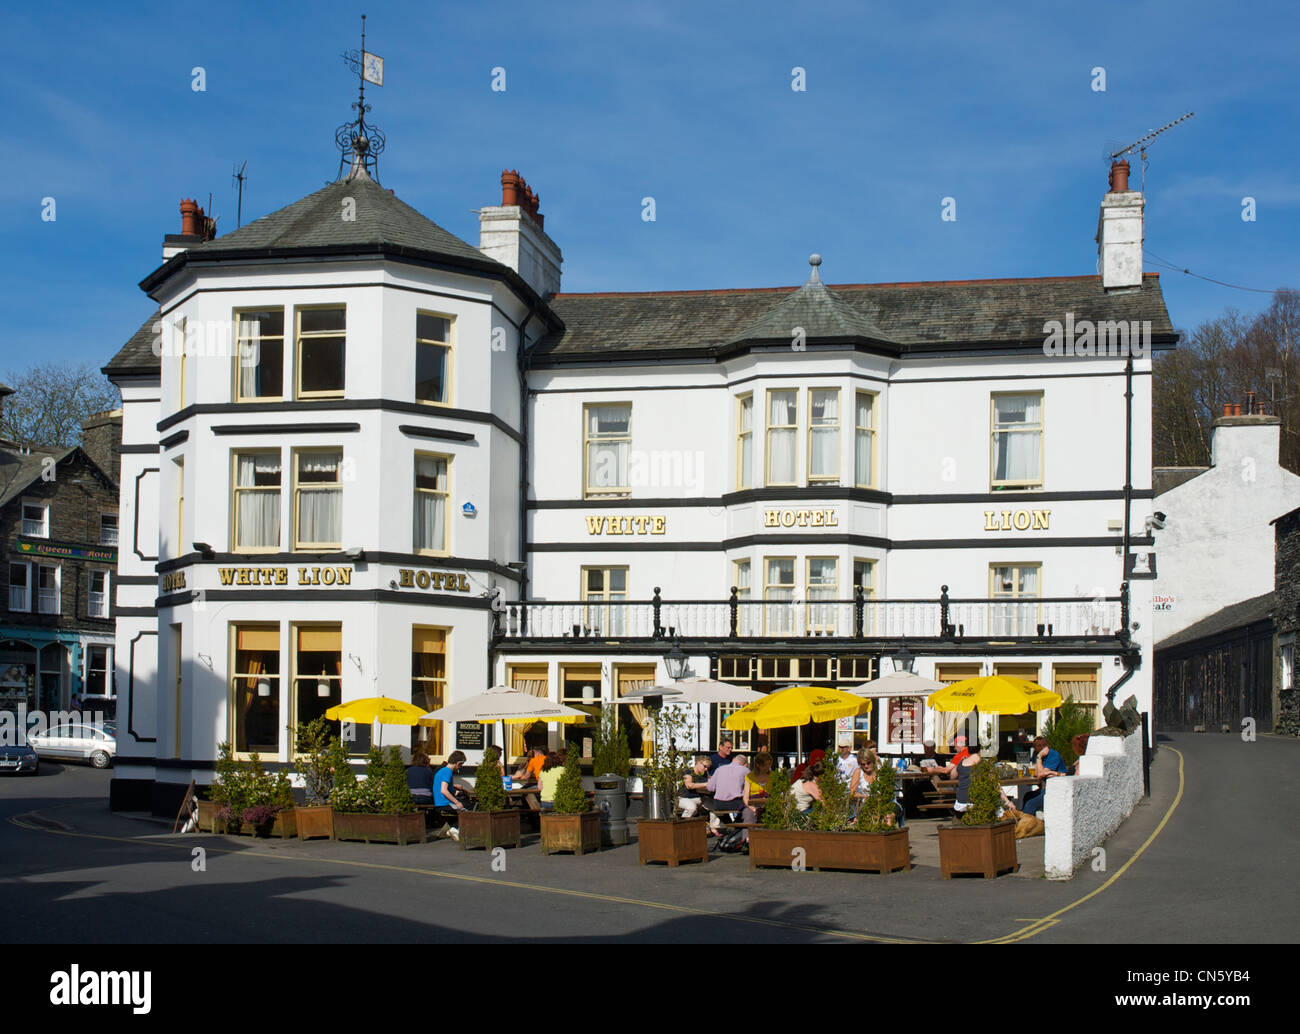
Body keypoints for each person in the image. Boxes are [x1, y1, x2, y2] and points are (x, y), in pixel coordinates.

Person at [952, 743, 1016, 818]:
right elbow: (995, 785)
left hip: (960, 803)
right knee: (998, 806)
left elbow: (952, 776)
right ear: (980, 751)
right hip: (976, 802)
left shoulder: (961, 763)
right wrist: (1008, 802)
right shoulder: (985, 764)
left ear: (968, 750)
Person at [1021, 737, 1069, 815]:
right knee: (1028, 796)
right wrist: (1039, 757)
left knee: (1030, 804)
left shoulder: (1053, 754)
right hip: (1045, 789)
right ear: (1035, 748)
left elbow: (1041, 774)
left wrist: (1039, 757)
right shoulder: (1037, 755)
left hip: (1056, 790)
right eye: (1039, 745)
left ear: (1048, 745)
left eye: (1044, 745)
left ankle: (1025, 825)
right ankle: (1028, 822)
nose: (1042, 747)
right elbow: (1035, 773)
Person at [704, 752, 750, 831]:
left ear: (732, 760)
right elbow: (750, 788)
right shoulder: (745, 770)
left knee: (720, 809)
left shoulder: (719, 769)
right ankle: (736, 827)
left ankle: (732, 827)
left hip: (719, 804)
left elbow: (710, 787)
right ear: (745, 764)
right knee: (747, 807)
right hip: (736, 803)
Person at [432, 750, 470, 841]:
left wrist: (453, 791)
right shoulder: (447, 772)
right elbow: (443, 790)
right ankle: (454, 828)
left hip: (439, 802)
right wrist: (456, 802)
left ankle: (448, 830)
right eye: (461, 765)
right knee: (467, 810)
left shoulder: (442, 770)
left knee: (465, 806)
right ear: (457, 763)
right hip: (444, 803)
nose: (460, 768)